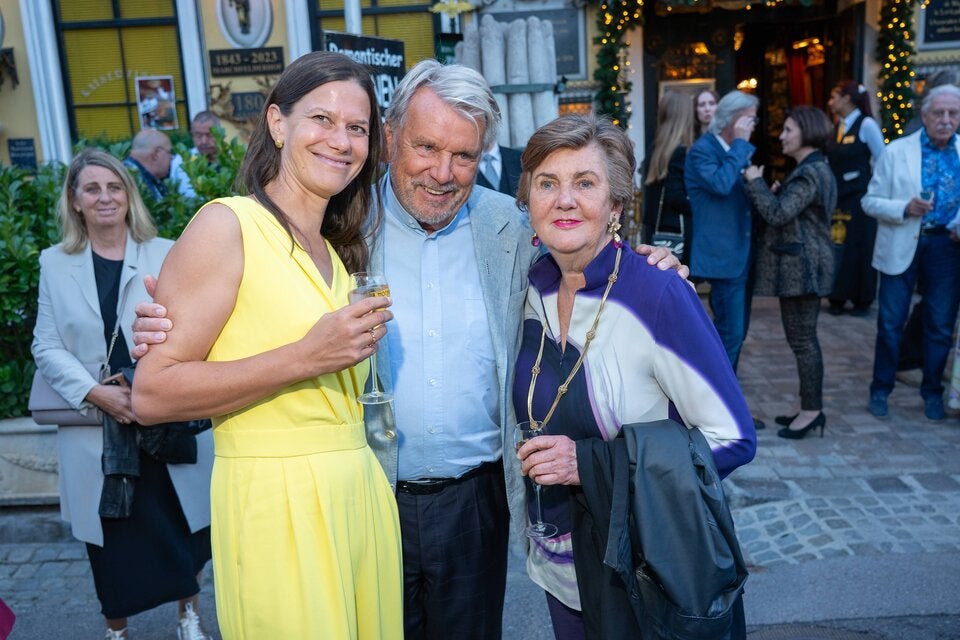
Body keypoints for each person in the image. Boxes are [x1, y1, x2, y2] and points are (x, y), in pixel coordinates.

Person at [131, 59, 687, 640]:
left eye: (465, 156)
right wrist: (174, 323)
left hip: (475, 502)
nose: (442, 173)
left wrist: (651, 267)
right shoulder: (342, 221)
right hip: (366, 493)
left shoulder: (514, 227)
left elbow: (588, 256)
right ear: (391, 137)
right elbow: (232, 318)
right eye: (425, 147)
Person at [130, 51, 404, 638]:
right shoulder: (226, 226)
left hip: (358, 496)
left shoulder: (336, 252)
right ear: (278, 124)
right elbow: (151, 393)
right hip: (277, 507)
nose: (342, 140)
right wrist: (304, 356)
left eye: (357, 128)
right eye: (322, 120)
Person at [512, 113, 756, 639]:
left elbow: (733, 438)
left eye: (585, 183)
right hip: (557, 566)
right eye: (547, 183)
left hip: (642, 570)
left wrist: (593, 465)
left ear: (616, 205)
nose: (564, 200)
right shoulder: (527, 288)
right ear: (528, 199)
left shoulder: (659, 294)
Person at [31, 149, 213, 640]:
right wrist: (96, 393)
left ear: (129, 195)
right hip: (99, 428)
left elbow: (194, 332)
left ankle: (187, 616)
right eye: (92, 189)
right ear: (74, 201)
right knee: (110, 540)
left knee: (185, 527)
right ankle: (117, 628)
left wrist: (142, 381)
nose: (105, 197)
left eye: (114, 187)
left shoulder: (168, 252)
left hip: (164, 415)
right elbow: (45, 344)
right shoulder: (54, 263)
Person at [862, 84, 960, 421]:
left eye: (953, 114)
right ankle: (880, 389)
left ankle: (932, 392)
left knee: (940, 325)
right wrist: (904, 207)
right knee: (890, 324)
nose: (946, 120)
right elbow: (869, 201)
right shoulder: (897, 151)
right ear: (925, 115)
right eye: (939, 113)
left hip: (948, 247)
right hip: (902, 242)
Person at [744, 106, 837, 439]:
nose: (781, 136)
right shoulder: (812, 168)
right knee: (803, 340)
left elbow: (778, 214)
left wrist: (755, 182)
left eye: (787, 130)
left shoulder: (810, 172)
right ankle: (807, 406)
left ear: (806, 132)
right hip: (805, 266)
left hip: (804, 269)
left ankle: (812, 411)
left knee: (803, 341)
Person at [684, 90, 759, 373]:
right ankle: (722, 408)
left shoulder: (736, 150)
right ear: (733, 120)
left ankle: (726, 403)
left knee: (736, 334)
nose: (753, 126)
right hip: (724, 257)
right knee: (729, 335)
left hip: (743, 253)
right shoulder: (703, 150)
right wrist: (740, 144)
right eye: (749, 120)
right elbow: (721, 184)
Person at [825, 81, 885, 316]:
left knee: (860, 247)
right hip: (839, 197)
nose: (831, 102)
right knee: (839, 245)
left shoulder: (866, 124)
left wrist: (874, 189)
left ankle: (862, 297)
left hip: (860, 197)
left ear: (847, 99)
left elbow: (882, 159)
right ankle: (837, 295)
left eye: (834, 97)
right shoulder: (838, 126)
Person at [643, 91, 695, 264]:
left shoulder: (656, 147)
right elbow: (675, 195)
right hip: (675, 231)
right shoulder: (680, 151)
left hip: (655, 227)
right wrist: (699, 205)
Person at [169, 111, 222, 198]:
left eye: (209, 135)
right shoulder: (180, 161)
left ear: (219, 133)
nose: (204, 141)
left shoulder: (233, 159)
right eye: (198, 135)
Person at [124, 129, 173, 201]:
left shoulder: (124, 173)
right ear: (156, 154)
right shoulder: (134, 181)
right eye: (169, 152)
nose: (171, 157)